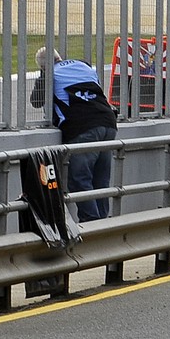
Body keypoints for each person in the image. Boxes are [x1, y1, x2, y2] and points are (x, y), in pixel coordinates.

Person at [30, 48, 118, 221]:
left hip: (82, 126)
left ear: (43, 67)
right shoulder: (83, 65)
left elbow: (36, 101)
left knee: (79, 179)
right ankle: (105, 224)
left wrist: (44, 75)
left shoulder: (49, 74)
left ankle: (91, 223)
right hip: (108, 122)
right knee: (101, 180)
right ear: (59, 57)